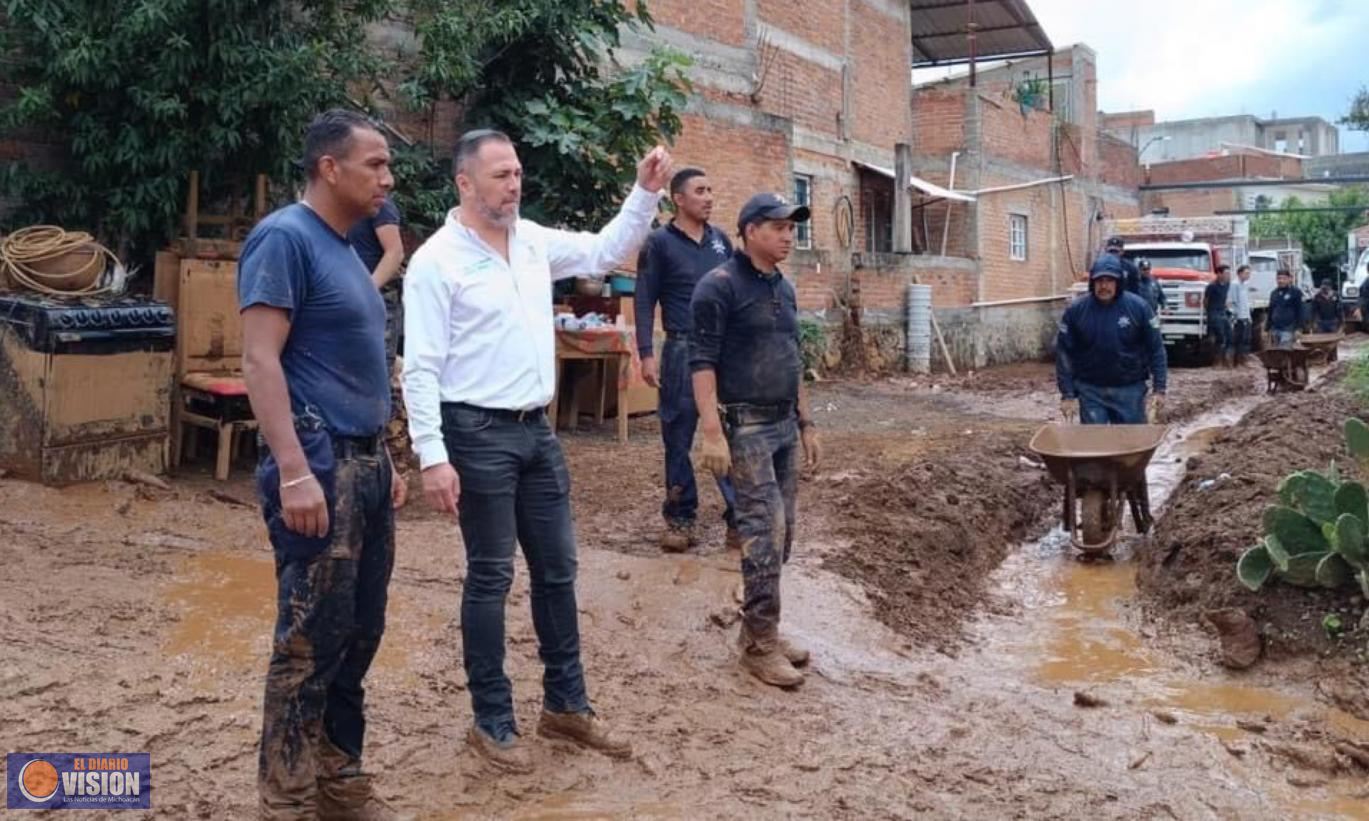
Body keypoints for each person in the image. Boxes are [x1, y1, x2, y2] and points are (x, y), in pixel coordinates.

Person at [402, 129, 672, 772]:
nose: (514, 183)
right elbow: (420, 368)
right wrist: (431, 455)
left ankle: (565, 706)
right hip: (475, 433)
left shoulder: (531, 243)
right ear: (465, 183)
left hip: (535, 433)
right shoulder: (437, 261)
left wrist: (645, 191)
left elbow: (606, 252)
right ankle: (491, 721)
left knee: (557, 569)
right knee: (491, 577)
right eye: (500, 175)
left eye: (518, 172)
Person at [238, 109, 407, 820]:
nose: (387, 178)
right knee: (309, 635)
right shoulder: (285, 238)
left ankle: (338, 773)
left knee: (361, 629)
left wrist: (386, 455)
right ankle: (286, 791)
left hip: (363, 465)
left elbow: (358, 367)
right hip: (319, 465)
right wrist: (296, 469)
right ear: (329, 168)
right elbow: (259, 358)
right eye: (374, 164)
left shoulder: (345, 248)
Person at [691, 192, 823, 689]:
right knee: (762, 531)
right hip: (744, 428)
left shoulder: (783, 289)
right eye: (778, 227)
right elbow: (700, 361)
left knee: (783, 533)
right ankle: (759, 646)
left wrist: (807, 423)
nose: (789, 235)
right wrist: (711, 433)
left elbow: (792, 357)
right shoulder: (719, 287)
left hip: (784, 425)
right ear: (750, 231)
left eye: (792, 227)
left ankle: (759, 628)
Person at [634, 168, 738, 553]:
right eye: (700, 191)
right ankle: (680, 517)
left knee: (730, 433)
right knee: (677, 437)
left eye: (711, 189)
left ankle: (737, 518)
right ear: (678, 198)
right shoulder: (659, 244)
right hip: (681, 350)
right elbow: (644, 298)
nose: (709, 197)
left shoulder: (721, 242)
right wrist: (646, 353)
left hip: (723, 350)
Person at [1057, 255, 1168, 425]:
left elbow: (1156, 349)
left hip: (1129, 390)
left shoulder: (1139, 308)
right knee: (1094, 446)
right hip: (1090, 390)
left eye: (1109, 280)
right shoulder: (1076, 311)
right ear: (1092, 282)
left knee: (1131, 443)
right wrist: (1067, 394)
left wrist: (1159, 389)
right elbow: (1064, 353)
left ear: (1119, 282)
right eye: (1099, 281)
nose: (1104, 286)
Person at [1204, 264, 1233, 367]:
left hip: (1224, 312)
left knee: (1229, 336)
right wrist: (1210, 313)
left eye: (1229, 273)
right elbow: (1206, 301)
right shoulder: (1212, 286)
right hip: (1214, 313)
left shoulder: (1228, 285)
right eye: (1226, 273)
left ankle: (1226, 360)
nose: (1228, 275)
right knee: (1220, 337)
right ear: (1219, 274)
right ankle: (1217, 361)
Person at [1267, 268, 1303, 349]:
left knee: (1284, 352)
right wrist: (1267, 328)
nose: (1281, 281)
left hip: (1288, 329)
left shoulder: (1295, 292)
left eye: (1284, 278)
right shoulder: (1274, 293)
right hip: (1275, 328)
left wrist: (1299, 328)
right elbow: (1270, 311)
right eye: (1279, 278)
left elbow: (1300, 311)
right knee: (1275, 352)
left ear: (1289, 279)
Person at [1228, 264, 1254, 366]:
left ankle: (1243, 361)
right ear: (1239, 273)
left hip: (1246, 316)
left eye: (1249, 273)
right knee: (1238, 340)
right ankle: (1237, 362)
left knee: (1246, 340)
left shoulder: (1244, 285)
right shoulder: (1234, 285)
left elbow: (1245, 302)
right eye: (1246, 273)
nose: (1248, 275)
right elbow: (1232, 302)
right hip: (1239, 318)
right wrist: (1234, 317)